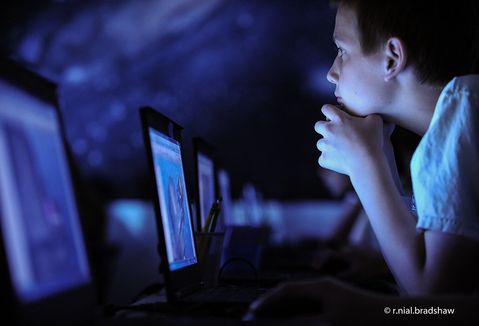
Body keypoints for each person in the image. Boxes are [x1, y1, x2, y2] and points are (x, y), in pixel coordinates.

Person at [248, 0, 479, 318]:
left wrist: (365, 163)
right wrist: (380, 159)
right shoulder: (460, 116)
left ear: (392, 58)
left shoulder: (462, 115)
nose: (331, 73)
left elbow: (433, 301)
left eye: (342, 51)